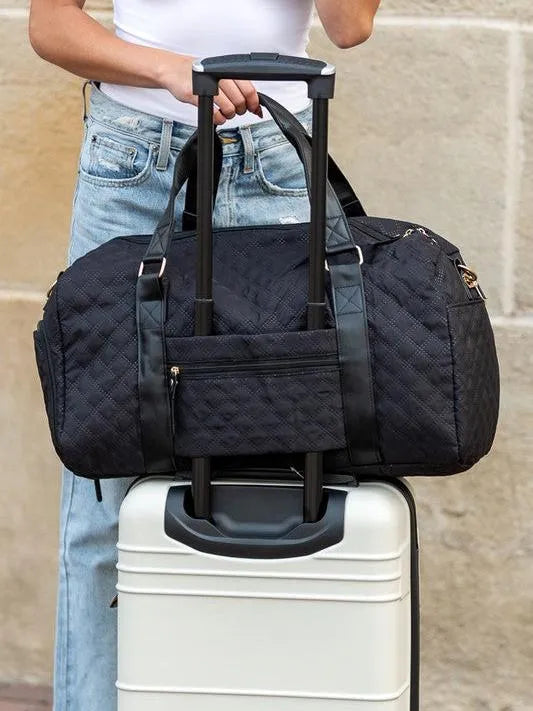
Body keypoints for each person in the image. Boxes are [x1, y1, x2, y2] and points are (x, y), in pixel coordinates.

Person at [28, 1, 380, 709]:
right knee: (104, 487)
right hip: (135, 158)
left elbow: (350, 26)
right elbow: (51, 25)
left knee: (287, 479)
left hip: (275, 161)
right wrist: (168, 69)